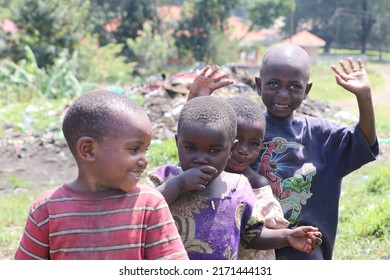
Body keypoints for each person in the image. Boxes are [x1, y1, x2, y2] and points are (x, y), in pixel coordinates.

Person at [187, 43, 379, 260]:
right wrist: (195, 98)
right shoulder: (242, 127)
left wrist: (364, 97)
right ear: (259, 85)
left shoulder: (321, 136)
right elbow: (195, 144)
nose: (283, 94)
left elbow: (363, 142)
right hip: (244, 249)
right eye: (274, 84)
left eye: (294, 87)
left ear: (307, 90)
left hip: (304, 252)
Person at [13, 90, 189, 260]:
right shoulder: (46, 210)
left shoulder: (149, 205)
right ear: (88, 150)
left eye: (145, 150)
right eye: (134, 149)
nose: (144, 160)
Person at [148, 96, 322, 260]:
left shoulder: (239, 187)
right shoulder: (164, 178)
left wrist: (287, 236)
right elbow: (142, 210)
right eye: (190, 148)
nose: (201, 158)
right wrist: (179, 184)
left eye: (214, 151)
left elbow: (252, 235)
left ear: (232, 148)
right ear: (178, 142)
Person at [224, 96, 289, 260]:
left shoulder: (257, 186)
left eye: (253, 143)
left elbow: (266, 234)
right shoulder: (205, 177)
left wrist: (289, 235)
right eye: (237, 140)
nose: (244, 150)